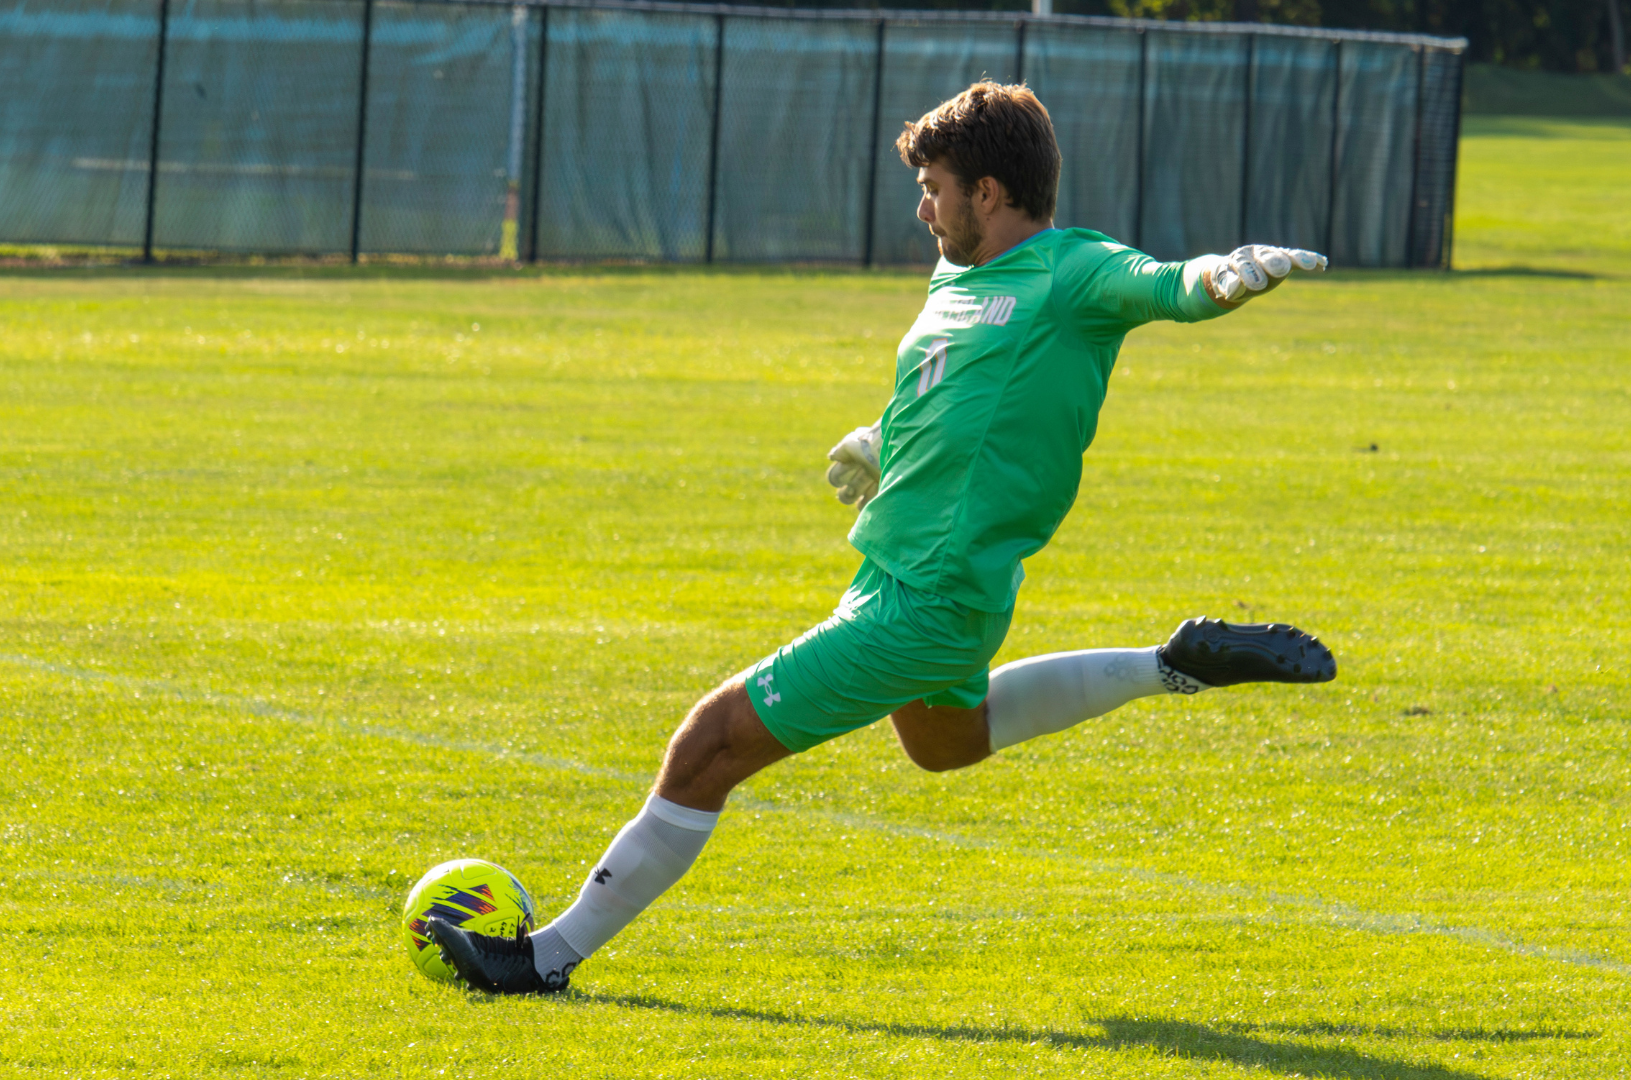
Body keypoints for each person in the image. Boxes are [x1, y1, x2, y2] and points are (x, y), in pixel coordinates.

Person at [429, 81, 1336, 994]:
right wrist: (886, 441)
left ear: (987, 192)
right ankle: (1171, 663)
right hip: (905, 578)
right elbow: (954, 387)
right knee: (945, 744)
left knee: (710, 742)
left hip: (930, 598)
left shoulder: (1072, 271)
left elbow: (1165, 286)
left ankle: (544, 959)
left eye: (935, 185)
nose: (922, 204)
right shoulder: (958, 277)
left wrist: (1225, 274)